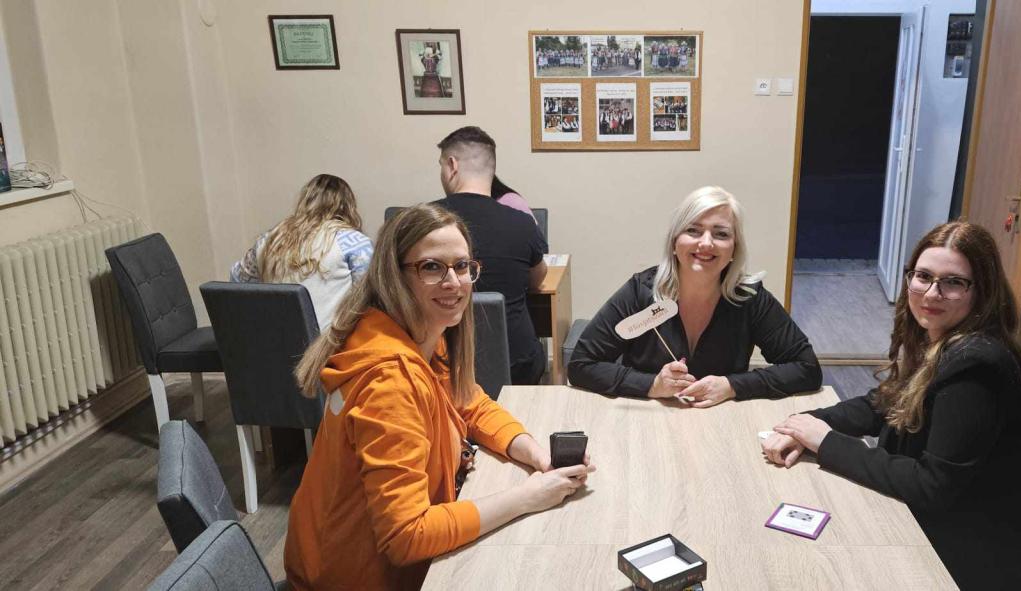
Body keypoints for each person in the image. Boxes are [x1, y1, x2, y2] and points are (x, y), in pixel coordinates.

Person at [284, 204, 593, 590]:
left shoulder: (415, 332)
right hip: (348, 579)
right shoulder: (390, 382)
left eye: (462, 266)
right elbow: (407, 536)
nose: (454, 282)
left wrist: (534, 453)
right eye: (432, 267)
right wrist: (526, 497)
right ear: (394, 276)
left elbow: (469, 402)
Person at [762, 222, 1021, 590]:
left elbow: (931, 485)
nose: (931, 293)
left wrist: (826, 441)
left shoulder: (976, 366)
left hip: (988, 561)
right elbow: (883, 403)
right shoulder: (942, 339)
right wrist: (805, 424)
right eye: (923, 276)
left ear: (983, 291)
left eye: (953, 282)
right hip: (954, 526)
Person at [568, 186, 821, 406]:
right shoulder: (640, 291)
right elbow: (581, 365)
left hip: (721, 422)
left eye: (721, 234)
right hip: (648, 422)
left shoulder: (749, 297)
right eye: (693, 230)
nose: (706, 243)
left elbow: (807, 369)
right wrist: (652, 385)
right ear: (674, 242)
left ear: (734, 248)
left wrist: (732, 386)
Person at [433, 126, 549, 385]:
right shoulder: (522, 223)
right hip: (516, 364)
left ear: (452, 165)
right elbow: (537, 279)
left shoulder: (423, 222)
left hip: (441, 361)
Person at [230, 173, 372, 330]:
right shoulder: (355, 243)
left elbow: (236, 280)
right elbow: (369, 299)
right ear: (349, 207)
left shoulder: (269, 240)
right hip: (329, 343)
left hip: (272, 339)